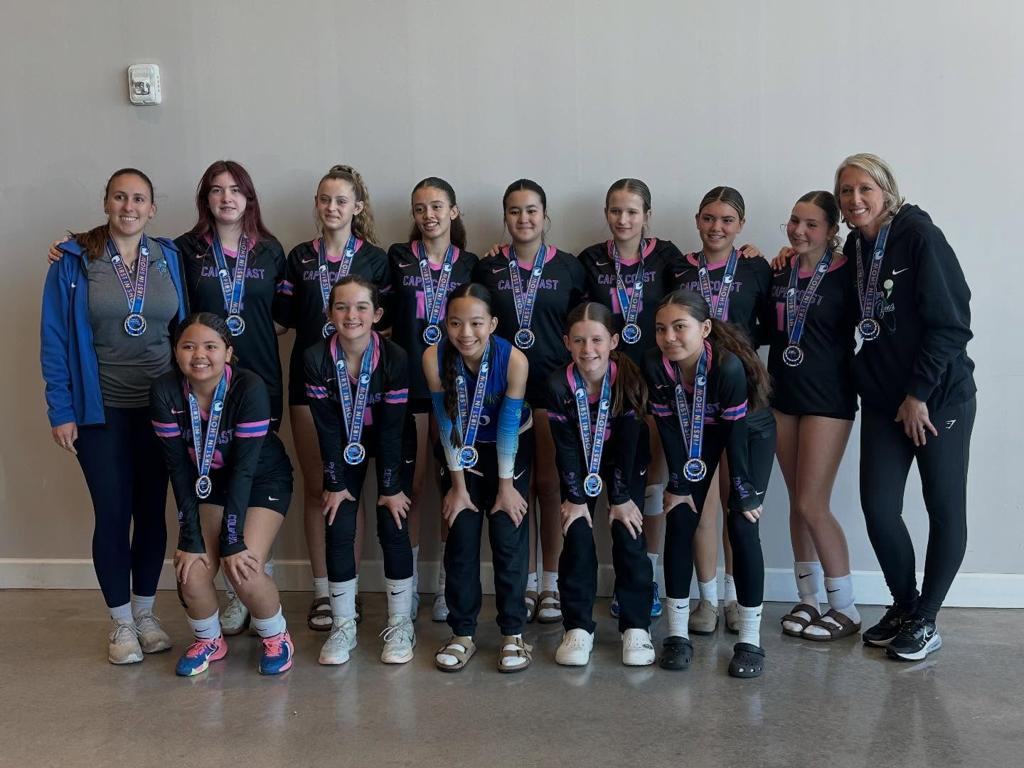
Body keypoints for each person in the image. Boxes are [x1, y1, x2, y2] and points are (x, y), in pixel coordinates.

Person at [41, 167, 187, 665]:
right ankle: (121, 622)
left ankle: (145, 615)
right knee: (112, 511)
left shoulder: (168, 257)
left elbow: (182, 330)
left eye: (139, 199)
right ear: (106, 203)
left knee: (151, 511)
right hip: (98, 411)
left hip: (161, 408)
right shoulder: (74, 261)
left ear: (152, 208)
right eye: (120, 197)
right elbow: (54, 340)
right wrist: (61, 410)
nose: (129, 207)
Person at [835, 153, 975, 661]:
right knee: (878, 507)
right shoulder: (855, 246)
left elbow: (952, 324)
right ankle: (905, 605)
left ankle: (927, 618)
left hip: (938, 398)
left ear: (887, 191)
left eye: (865, 189)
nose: (855, 200)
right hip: (883, 401)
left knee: (943, 506)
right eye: (846, 191)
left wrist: (919, 394)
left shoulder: (920, 237)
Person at [150, 313, 294, 676]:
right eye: (188, 346)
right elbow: (178, 471)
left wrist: (232, 541)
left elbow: (244, 471)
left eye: (210, 346)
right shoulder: (165, 390)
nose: (199, 355)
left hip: (261, 480)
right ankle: (209, 640)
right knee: (191, 572)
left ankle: (276, 637)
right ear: (176, 351)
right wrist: (190, 538)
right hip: (208, 483)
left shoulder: (249, 387)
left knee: (242, 569)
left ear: (228, 353)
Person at [279, 165, 389, 632]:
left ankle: (350, 588)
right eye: (324, 199)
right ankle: (324, 590)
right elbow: (279, 320)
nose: (332, 207)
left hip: (365, 385)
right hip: (309, 383)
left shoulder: (377, 260)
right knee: (318, 486)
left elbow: (385, 326)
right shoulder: (298, 257)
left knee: (354, 486)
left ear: (357, 207)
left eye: (341, 200)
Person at [473, 179, 585, 625]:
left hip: (555, 390)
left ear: (545, 215)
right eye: (515, 211)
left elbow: (583, 327)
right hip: (503, 394)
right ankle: (524, 584)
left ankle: (551, 584)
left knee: (550, 487)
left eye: (532, 210)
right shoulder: (487, 267)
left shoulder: (571, 267)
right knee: (516, 489)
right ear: (506, 216)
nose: (524, 218)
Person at [645, 290, 773, 677]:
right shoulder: (654, 364)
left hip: (747, 433)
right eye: (661, 329)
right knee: (680, 517)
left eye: (679, 327)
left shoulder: (727, 367)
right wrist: (678, 484)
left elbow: (735, 437)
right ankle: (676, 635)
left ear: (704, 329)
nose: (669, 337)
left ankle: (749, 641)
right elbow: (669, 429)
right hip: (694, 434)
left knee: (742, 525)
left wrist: (743, 492)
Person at [668, 186, 774, 635]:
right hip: (691, 400)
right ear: (697, 220)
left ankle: (734, 597)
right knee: (702, 501)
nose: (716, 227)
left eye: (727, 220)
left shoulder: (756, 267)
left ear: (741, 226)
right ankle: (706, 599)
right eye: (709, 218)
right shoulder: (677, 267)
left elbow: (769, 325)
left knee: (737, 503)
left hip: (741, 395)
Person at [304, 276, 417, 664]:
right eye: (342, 307)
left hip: (393, 442)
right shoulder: (315, 358)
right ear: (329, 313)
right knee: (338, 524)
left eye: (361, 307)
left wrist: (390, 486)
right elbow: (326, 428)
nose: (351, 315)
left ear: (377, 314)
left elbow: (392, 428)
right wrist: (335, 482)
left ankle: (400, 623)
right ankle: (342, 625)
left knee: (393, 522)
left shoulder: (396, 356)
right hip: (340, 446)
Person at [423, 284, 533, 672]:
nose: (465, 333)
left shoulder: (514, 359)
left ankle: (513, 634)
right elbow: (446, 423)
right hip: (460, 451)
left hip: (508, 450)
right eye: (455, 323)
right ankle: (462, 634)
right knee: (461, 538)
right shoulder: (434, 357)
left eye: (476, 323)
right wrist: (457, 488)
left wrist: (506, 488)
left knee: (507, 538)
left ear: (493, 324)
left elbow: (508, 425)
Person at [768, 192, 862, 641]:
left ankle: (846, 606)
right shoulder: (779, 271)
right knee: (796, 502)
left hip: (829, 399)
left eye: (811, 224)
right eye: (794, 221)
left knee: (812, 503)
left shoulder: (850, 275)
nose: (799, 231)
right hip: (783, 395)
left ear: (831, 231)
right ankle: (808, 599)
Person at [387, 177, 479, 622]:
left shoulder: (472, 263)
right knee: (413, 487)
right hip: (408, 386)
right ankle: (406, 587)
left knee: (451, 485)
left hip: (455, 388)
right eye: (420, 208)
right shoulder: (397, 257)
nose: (429, 215)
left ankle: (447, 584)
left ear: (453, 211)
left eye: (438, 206)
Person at [547, 302, 655, 667]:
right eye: (578, 340)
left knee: (629, 533)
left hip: (627, 461)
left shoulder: (629, 379)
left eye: (596, 340)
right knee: (577, 533)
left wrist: (621, 498)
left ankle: (636, 626)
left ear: (613, 341)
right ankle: (577, 626)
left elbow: (628, 444)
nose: (587, 349)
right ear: (567, 342)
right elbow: (564, 446)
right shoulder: (558, 384)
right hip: (579, 464)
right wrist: (574, 497)